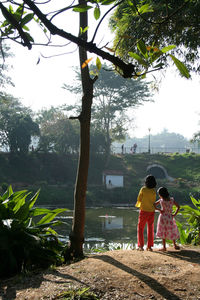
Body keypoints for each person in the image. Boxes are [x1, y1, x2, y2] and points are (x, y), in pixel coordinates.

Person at [154, 187, 180, 251]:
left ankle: (164, 247)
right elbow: (178, 207)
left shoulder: (161, 200)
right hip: (169, 217)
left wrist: (159, 210)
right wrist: (174, 214)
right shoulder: (171, 200)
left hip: (163, 217)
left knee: (163, 230)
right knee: (171, 230)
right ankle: (174, 244)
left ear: (160, 194)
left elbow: (154, 205)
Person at [135, 175, 157, 251]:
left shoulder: (143, 189)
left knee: (140, 228)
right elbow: (154, 200)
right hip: (152, 211)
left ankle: (141, 246)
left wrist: (139, 204)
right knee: (150, 228)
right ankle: (149, 246)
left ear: (146, 182)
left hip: (144, 211)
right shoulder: (153, 190)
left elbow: (139, 198)